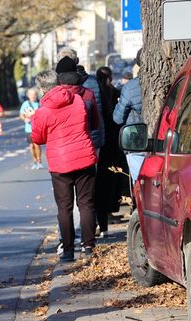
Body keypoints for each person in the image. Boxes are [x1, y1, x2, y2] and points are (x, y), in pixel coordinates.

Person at [31, 67, 97, 262]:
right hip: (85, 156)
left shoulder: (42, 112)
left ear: (42, 89)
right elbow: (86, 124)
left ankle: (68, 250)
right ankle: (88, 246)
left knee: (64, 207)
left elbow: (38, 138)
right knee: (86, 204)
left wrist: (33, 119)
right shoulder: (78, 101)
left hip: (60, 163)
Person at [95, 66, 126, 237]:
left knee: (98, 182)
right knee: (112, 177)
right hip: (114, 140)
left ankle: (100, 216)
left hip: (100, 141)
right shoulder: (114, 92)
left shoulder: (96, 93)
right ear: (111, 78)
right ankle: (110, 209)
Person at [57, 47, 104, 152]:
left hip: (63, 141)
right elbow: (100, 112)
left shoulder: (55, 87)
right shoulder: (93, 82)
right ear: (77, 61)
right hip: (92, 136)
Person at [113, 49, 144, 186]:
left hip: (136, 141)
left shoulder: (130, 87)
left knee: (139, 181)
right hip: (166, 141)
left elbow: (118, 118)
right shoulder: (169, 79)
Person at [19, 88, 43, 169]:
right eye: (31, 95)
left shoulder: (40, 103)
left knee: (37, 145)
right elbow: (21, 114)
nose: (33, 96)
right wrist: (24, 118)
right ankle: (34, 161)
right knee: (31, 146)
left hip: (37, 128)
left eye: (34, 94)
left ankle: (39, 161)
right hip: (29, 128)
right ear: (28, 96)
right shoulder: (26, 104)